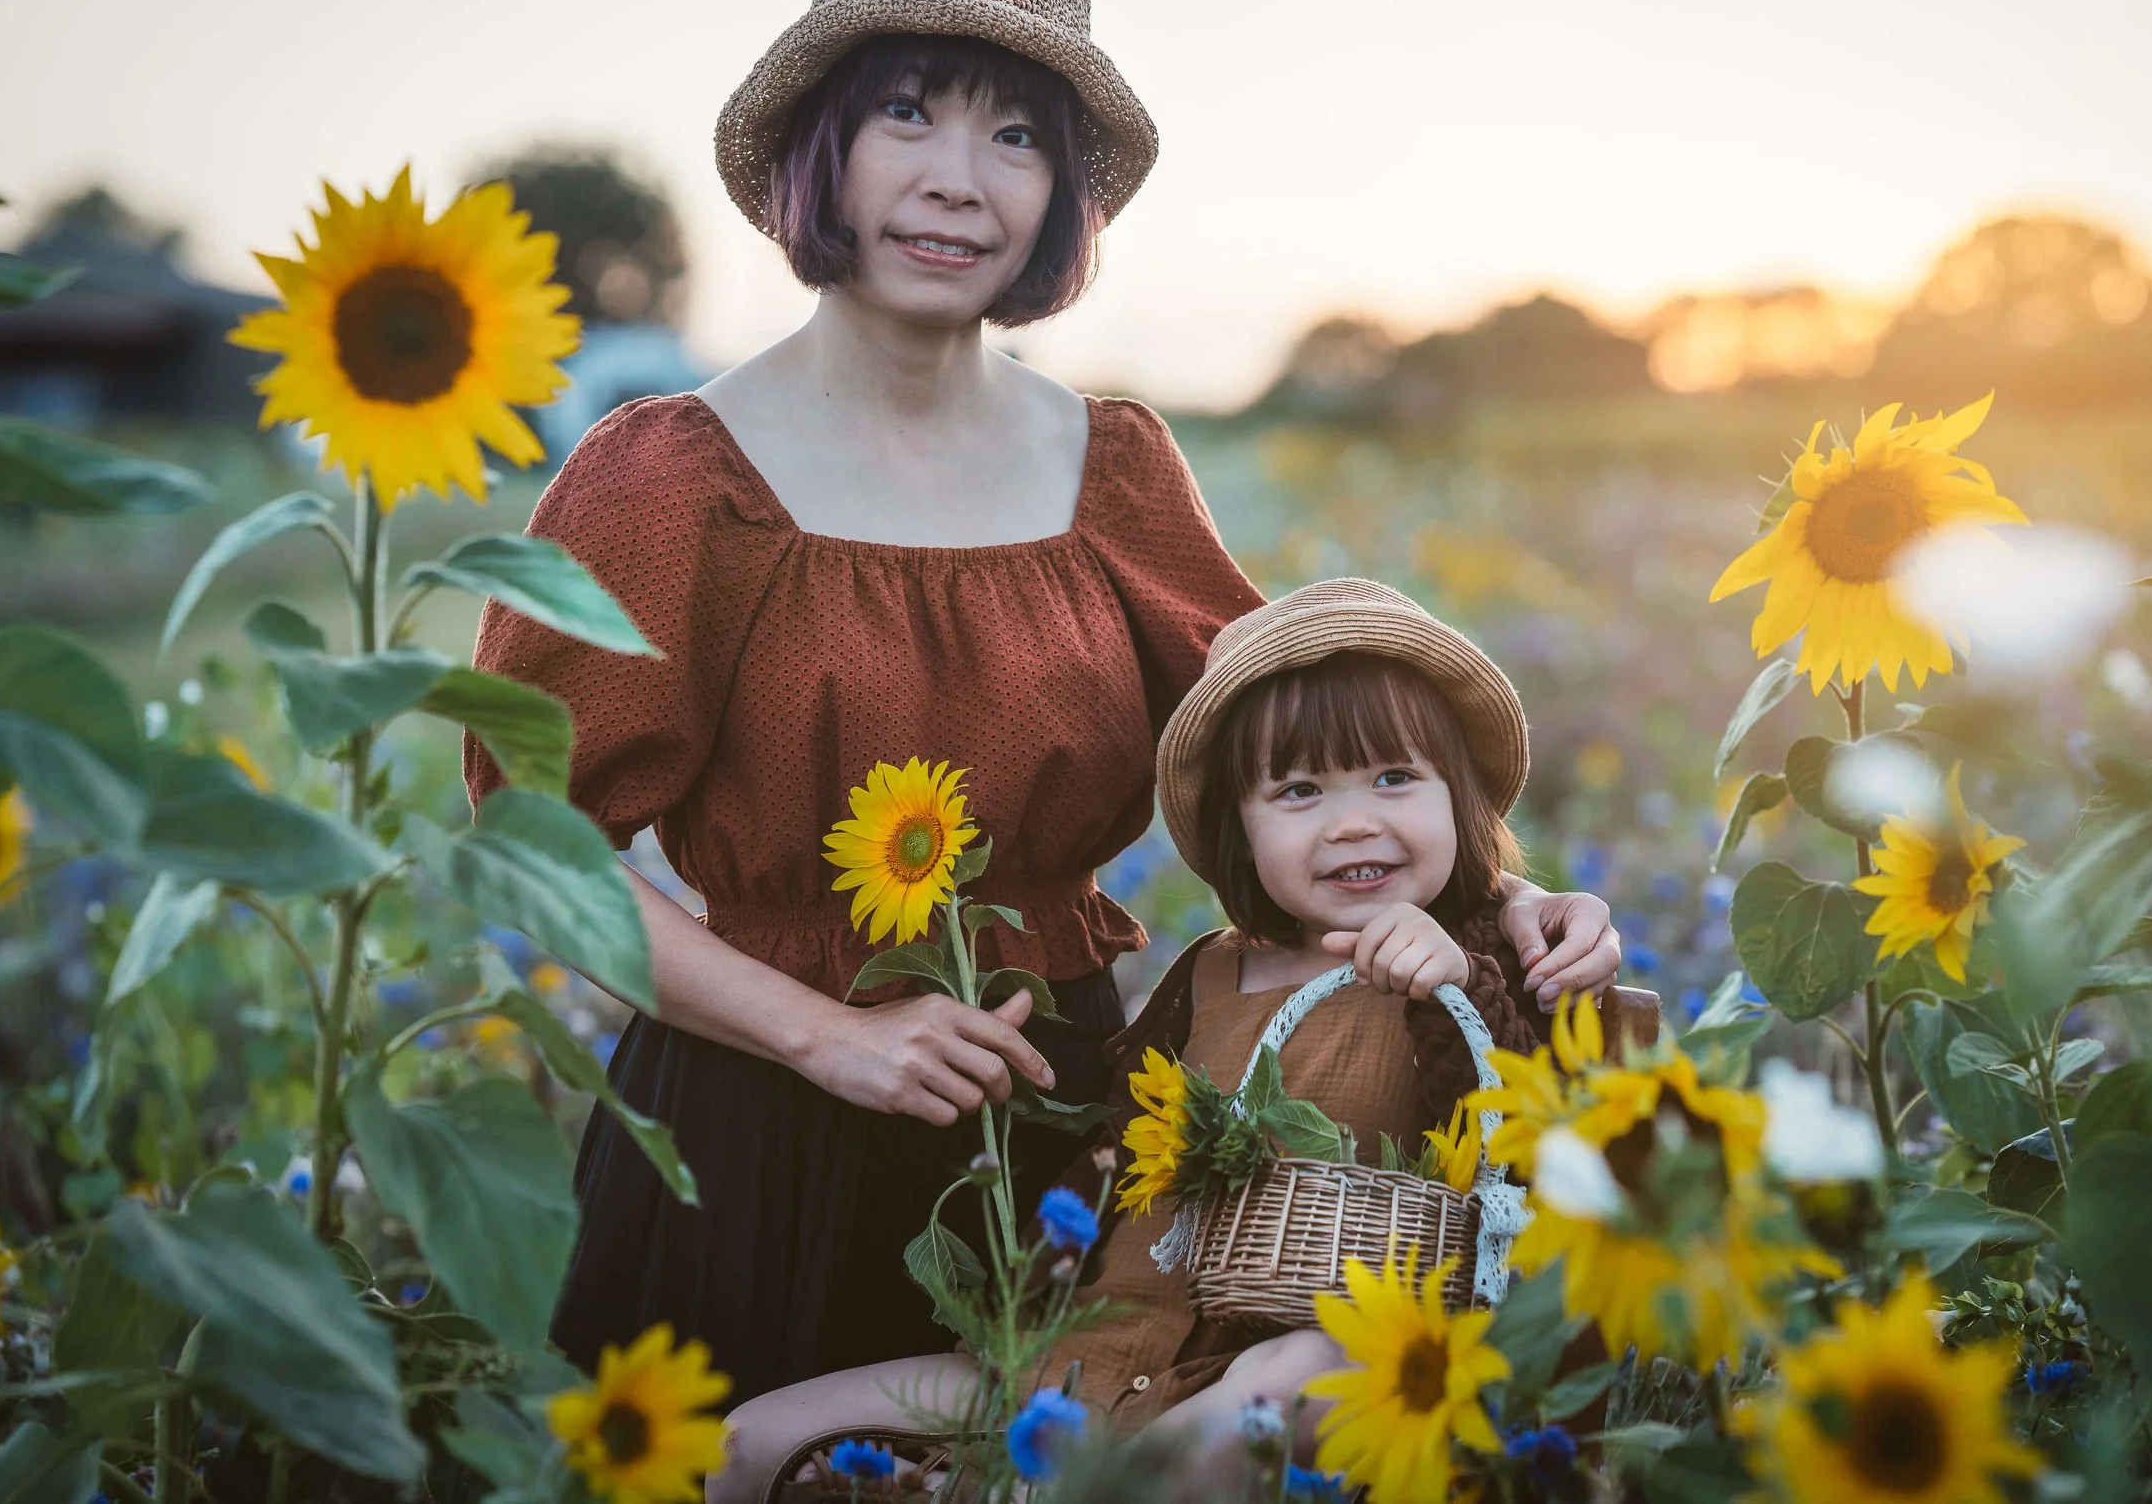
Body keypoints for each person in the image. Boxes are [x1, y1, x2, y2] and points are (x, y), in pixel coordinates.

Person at [468, 0, 1623, 1409]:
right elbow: (525, 841)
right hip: (758, 1127)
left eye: (1017, 136)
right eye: (906, 114)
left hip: (1087, 1133)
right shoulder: (666, 481)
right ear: (822, 146)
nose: (959, 179)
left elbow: (1312, 765)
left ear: (1060, 195)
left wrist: (1517, 902)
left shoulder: (1117, 470)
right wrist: (833, 1038)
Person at [710, 581, 1661, 1498]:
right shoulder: (1207, 970)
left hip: (1274, 1370)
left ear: (1461, 800)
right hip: (1088, 1358)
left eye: (1395, 776)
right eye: (1297, 791)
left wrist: (1460, 976)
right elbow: (1109, 1162)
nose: (1355, 819)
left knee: (1293, 1377)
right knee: (756, 1444)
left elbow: (1534, 1162)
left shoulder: (1500, 957)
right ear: (1238, 830)